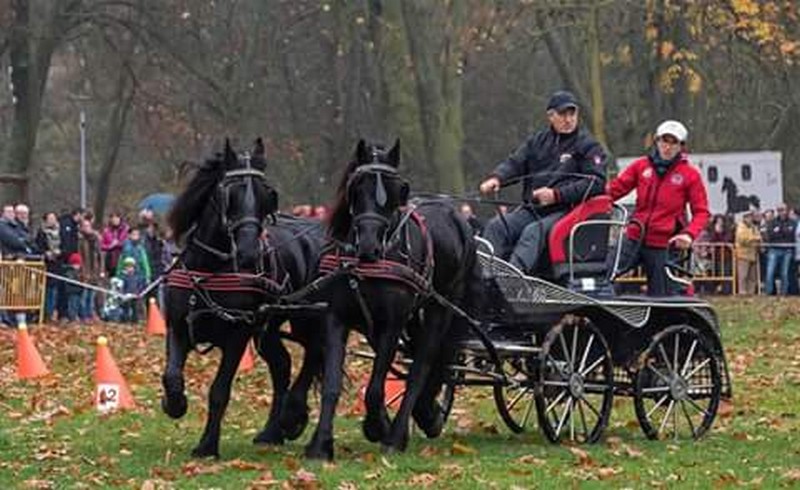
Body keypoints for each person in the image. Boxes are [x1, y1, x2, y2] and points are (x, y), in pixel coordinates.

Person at [479, 90, 607, 274]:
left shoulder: (588, 146)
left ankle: (510, 281)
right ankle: (483, 278)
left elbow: (597, 182)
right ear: (551, 116)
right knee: (496, 226)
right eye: (563, 114)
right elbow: (516, 162)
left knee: (532, 232)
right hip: (534, 209)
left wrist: (556, 195)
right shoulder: (537, 141)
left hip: (568, 211)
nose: (569, 119)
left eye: (572, 114)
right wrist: (497, 178)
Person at [606, 120, 710, 296]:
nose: (667, 147)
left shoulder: (690, 175)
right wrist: (591, 199)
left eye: (673, 142)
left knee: (661, 296)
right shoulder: (640, 166)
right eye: (664, 140)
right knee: (604, 275)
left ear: (681, 146)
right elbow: (615, 189)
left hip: (664, 245)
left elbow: (702, 212)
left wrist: (688, 234)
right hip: (633, 237)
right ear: (656, 141)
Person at [763, 203, 796, 295]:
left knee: (784, 273)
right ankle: (768, 292)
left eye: (783, 210)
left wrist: (780, 231)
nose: (781, 212)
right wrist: (782, 232)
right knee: (770, 272)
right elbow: (770, 236)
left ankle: (783, 293)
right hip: (774, 249)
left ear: (787, 210)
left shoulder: (792, 222)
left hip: (787, 250)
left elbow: (791, 235)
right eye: (779, 210)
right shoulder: (772, 222)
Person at [734, 209, 762, 295]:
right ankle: (742, 292)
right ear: (745, 218)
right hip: (743, 255)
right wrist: (754, 238)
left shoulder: (754, 227)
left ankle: (751, 292)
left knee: (752, 276)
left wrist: (756, 239)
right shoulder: (741, 227)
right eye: (749, 217)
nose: (750, 219)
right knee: (743, 276)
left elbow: (759, 237)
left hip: (753, 254)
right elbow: (742, 239)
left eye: (751, 217)